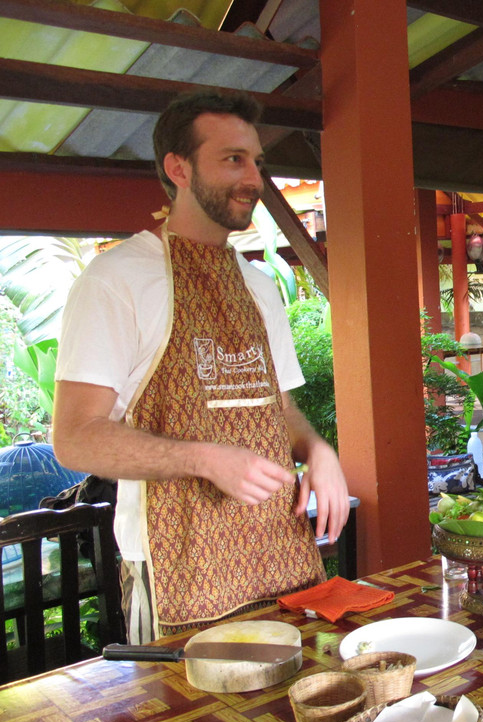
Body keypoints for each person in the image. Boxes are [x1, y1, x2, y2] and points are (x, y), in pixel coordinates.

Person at [53, 89, 349, 642]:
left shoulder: (260, 285)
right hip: (178, 564)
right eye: (232, 159)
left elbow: (278, 406)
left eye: (257, 162)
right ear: (178, 167)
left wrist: (317, 449)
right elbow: (74, 439)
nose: (255, 179)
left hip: (279, 550)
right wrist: (203, 457)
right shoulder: (116, 280)